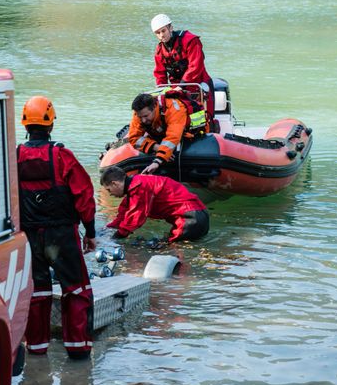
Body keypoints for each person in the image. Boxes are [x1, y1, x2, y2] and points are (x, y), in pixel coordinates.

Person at [17, 95, 97, 360]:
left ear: (25, 124)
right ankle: (78, 349)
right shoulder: (62, 156)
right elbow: (84, 196)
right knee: (76, 289)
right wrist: (91, 232)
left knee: (36, 291)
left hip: (28, 237)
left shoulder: (14, 156)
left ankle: (36, 347)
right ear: (51, 125)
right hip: (61, 236)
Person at [101, 165, 209, 243]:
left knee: (172, 250)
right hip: (197, 216)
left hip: (191, 220)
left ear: (114, 183)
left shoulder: (139, 188)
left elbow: (134, 220)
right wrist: (106, 230)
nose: (110, 194)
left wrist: (114, 239)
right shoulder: (135, 185)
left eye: (109, 190)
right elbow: (123, 214)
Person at [151, 14, 215, 120]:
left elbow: (196, 66)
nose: (161, 35)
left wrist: (182, 85)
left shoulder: (190, 41)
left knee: (204, 119)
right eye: (158, 33)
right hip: (176, 88)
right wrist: (161, 91)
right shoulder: (159, 51)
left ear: (170, 28)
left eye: (163, 31)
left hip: (198, 85)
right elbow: (160, 74)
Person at [128, 91, 208, 175]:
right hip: (162, 131)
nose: (143, 120)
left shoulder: (174, 109)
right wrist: (156, 147)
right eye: (140, 117)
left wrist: (158, 161)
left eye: (145, 116)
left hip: (189, 130)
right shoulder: (139, 113)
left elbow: (173, 137)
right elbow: (134, 138)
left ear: (154, 107)